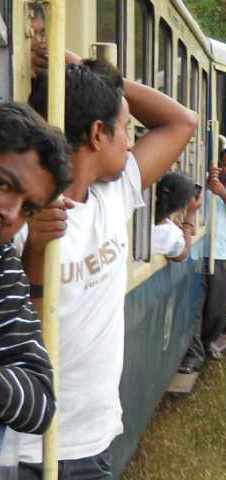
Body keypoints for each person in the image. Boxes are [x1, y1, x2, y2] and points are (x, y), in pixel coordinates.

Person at [19, 54, 197, 478]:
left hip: (93, 437)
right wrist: (37, 249)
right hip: (29, 448)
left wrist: (92, 75)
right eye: (125, 130)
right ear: (98, 134)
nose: (130, 142)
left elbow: (182, 122)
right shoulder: (24, 215)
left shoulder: (112, 195)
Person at [0, 102, 72, 440]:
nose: (10, 214)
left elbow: (41, 402)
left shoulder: (3, 268)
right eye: (4, 185)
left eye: (28, 209)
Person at [179, 148, 226, 373]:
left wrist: (222, 193)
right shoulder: (203, 185)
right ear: (218, 164)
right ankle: (194, 355)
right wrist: (208, 185)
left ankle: (206, 341)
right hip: (198, 252)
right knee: (195, 307)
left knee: (221, 307)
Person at [151, 172, 201, 261]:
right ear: (184, 205)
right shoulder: (170, 234)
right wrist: (190, 215)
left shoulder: (141, 215)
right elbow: (183, 256)